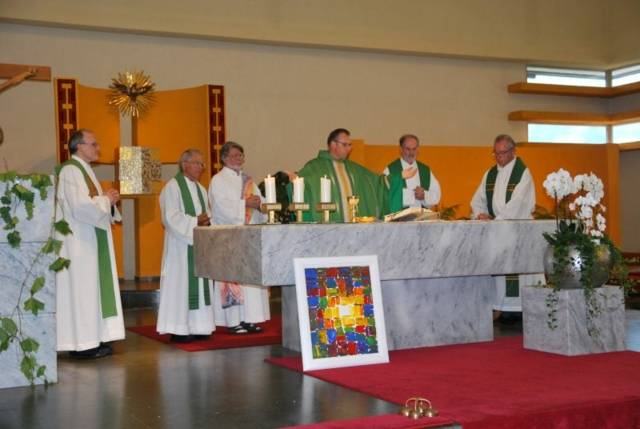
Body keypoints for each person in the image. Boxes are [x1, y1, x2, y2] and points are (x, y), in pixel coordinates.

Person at [55, 129, 124, 359]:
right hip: (78, 243)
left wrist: (107, 199)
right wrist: (106, 199)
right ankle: (83, 344)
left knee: (90, 291)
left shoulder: (83, 170)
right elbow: (80, 207)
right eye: (94, 144)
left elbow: (90, 203)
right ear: (79, 146)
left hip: (89, 240)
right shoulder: (71, 170)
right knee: (83, 292)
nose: (98, 148)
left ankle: (92, 339)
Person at [470, 134, 544, 320]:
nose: (499, 157)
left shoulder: (523, 173)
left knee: (519, 273)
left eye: (502, 153)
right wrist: (480, 214)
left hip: (519, 230)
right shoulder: (490, 174)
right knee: (501, 275)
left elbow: (518, 204)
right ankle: (502, 308)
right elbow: (477, 199)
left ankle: (523, 310)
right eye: (495, 153)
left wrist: (496, 221)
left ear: (513, 151)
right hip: (497, 229)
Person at [208, 142, 270, 334]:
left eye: (241, 155)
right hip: (230, 237)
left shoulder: (249, 181)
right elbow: (220, 207)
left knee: (249, 281)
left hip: (248, 236)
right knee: (233, 279)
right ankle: (233, 321)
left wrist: (261, 205)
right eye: (234, 155)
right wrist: (245, 203)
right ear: (224, 158)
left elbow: (261, 204)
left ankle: (250, 319)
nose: (238, 159)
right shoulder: (218, 180)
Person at [156, 149, 215, 343]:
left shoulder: (201, 189)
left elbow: (206, 214)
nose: (201, 167)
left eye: (202, 164)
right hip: (180, 247)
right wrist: (194, 222)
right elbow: (170, 218)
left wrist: (205, 222)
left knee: (200, 283)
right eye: (198, 163)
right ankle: (179, 328)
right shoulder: (172, 188)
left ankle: (200, 326)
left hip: (197, 245)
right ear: (185, 164)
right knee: (181, 285)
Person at [296, 128, 385, 222]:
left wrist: (395, 179)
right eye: (345, 145)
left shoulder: (354, 169)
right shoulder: (314, 168)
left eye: (350, 145)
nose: (349, 148)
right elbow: (299, 184)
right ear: (333, 144)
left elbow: (379, 182)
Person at [383, 134, 441, 212]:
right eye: (408, 149)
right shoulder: (391, 170)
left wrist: (424, 195)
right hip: (399, 218)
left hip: (421, 217)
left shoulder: (425, 170)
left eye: (414, 149)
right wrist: (410, 195)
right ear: (400, 149)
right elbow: (384, 193)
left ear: (418, 149)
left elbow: (436, 194)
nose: (411, 153)